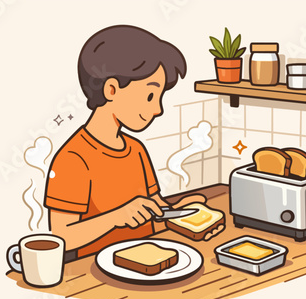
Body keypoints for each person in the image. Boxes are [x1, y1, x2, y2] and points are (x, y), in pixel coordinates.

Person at [44, 25, 202, 258]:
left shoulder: (136, 149)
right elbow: (61, 237)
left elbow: (154, 207)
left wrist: (177, 210)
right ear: (111, 89)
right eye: (150, 96)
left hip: (148, 259)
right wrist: (117, 217)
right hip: (94, 274)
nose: (158, 109)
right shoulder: (72, 159)